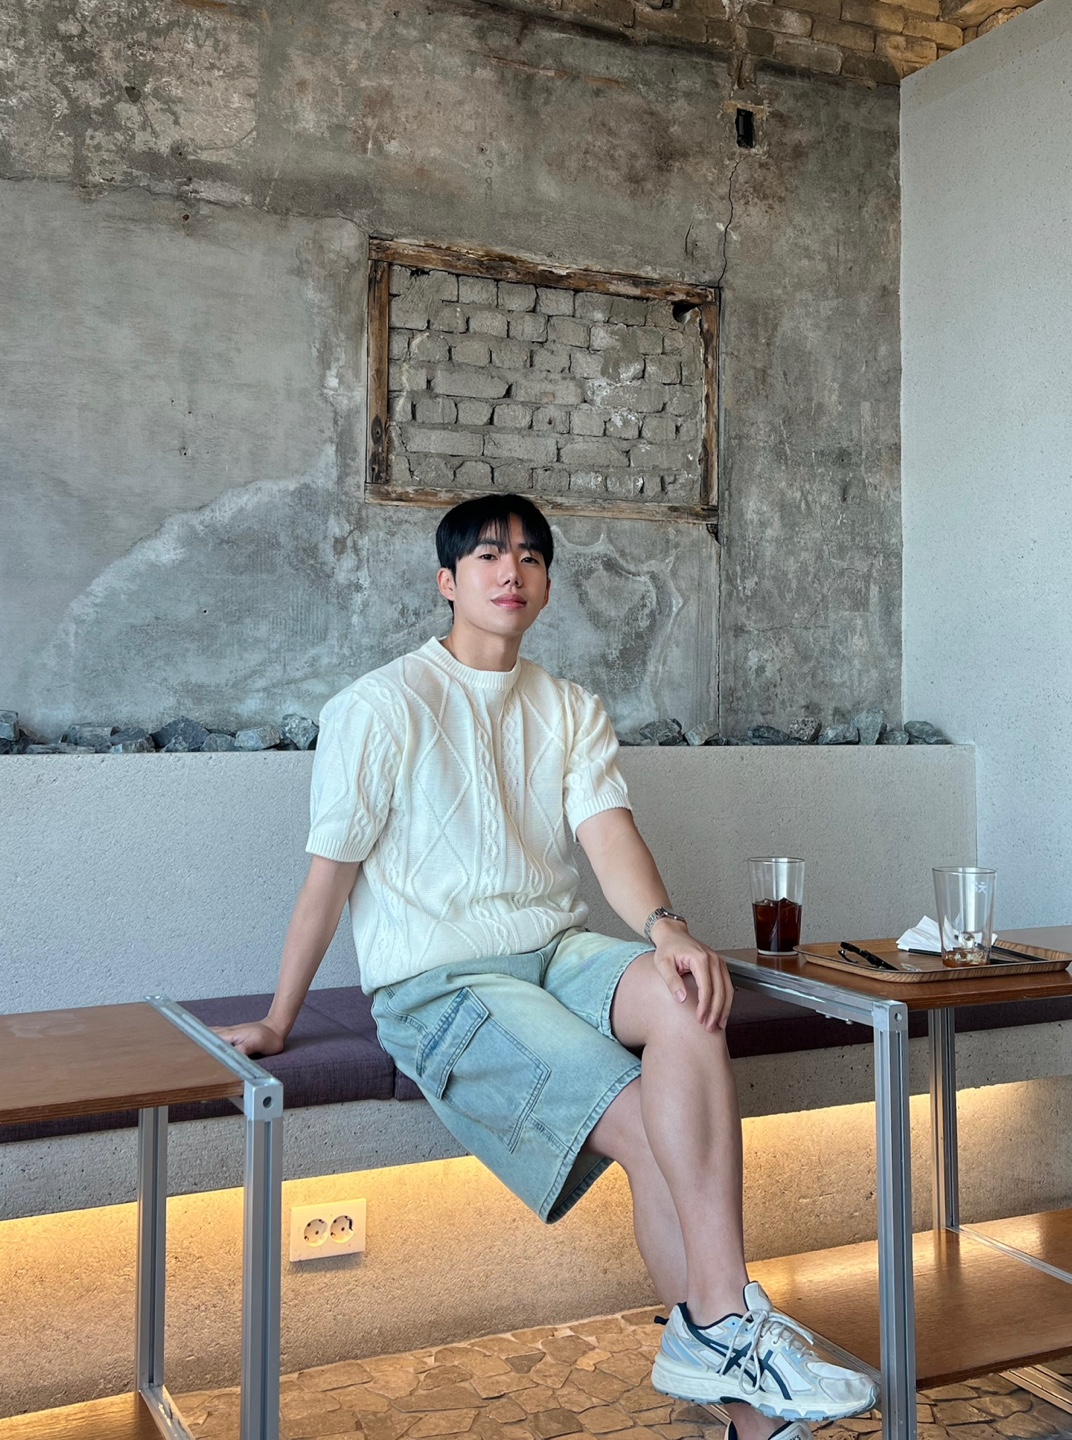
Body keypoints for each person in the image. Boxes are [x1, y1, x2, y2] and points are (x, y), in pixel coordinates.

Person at [217, 493, 875, 1440]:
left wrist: (668, 930)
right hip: (442, 983)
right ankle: (741, 1377)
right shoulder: (379, 706)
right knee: (650, 1128)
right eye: (488, 555)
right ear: (448, 582)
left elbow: (608, 836)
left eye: (530, 556)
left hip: (556, 954)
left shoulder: (568, 707)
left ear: (548, 585)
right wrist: (281, 1021)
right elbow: (330, 878)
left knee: (687, 998)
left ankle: (720, 1330)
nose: (511, 571)